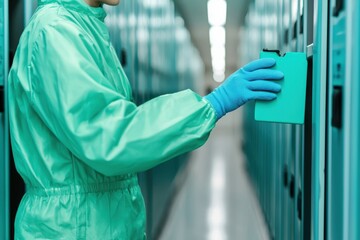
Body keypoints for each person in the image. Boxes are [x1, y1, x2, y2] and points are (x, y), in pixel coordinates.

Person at [8, 0, 283, 239]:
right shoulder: (54, 31)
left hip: (96, 221)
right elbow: (111, 136)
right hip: (70, 227)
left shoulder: (84, 29)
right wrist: (212, 104)